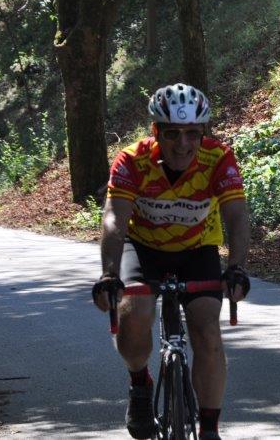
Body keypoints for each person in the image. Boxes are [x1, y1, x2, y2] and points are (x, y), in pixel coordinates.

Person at [91, 83, 251, 440]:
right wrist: (108, 274)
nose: (183, 143)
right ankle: (140, 384)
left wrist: (237, 267)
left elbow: (237, 216)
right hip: (143, 247)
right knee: (134, 316)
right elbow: (115, 220)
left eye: (192, 133)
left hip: (197, 249)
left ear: (203, 133)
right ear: (156, 131)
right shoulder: (132, 160)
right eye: (172, 133)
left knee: (207, 330)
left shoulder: (218, 159)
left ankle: (209, 428)